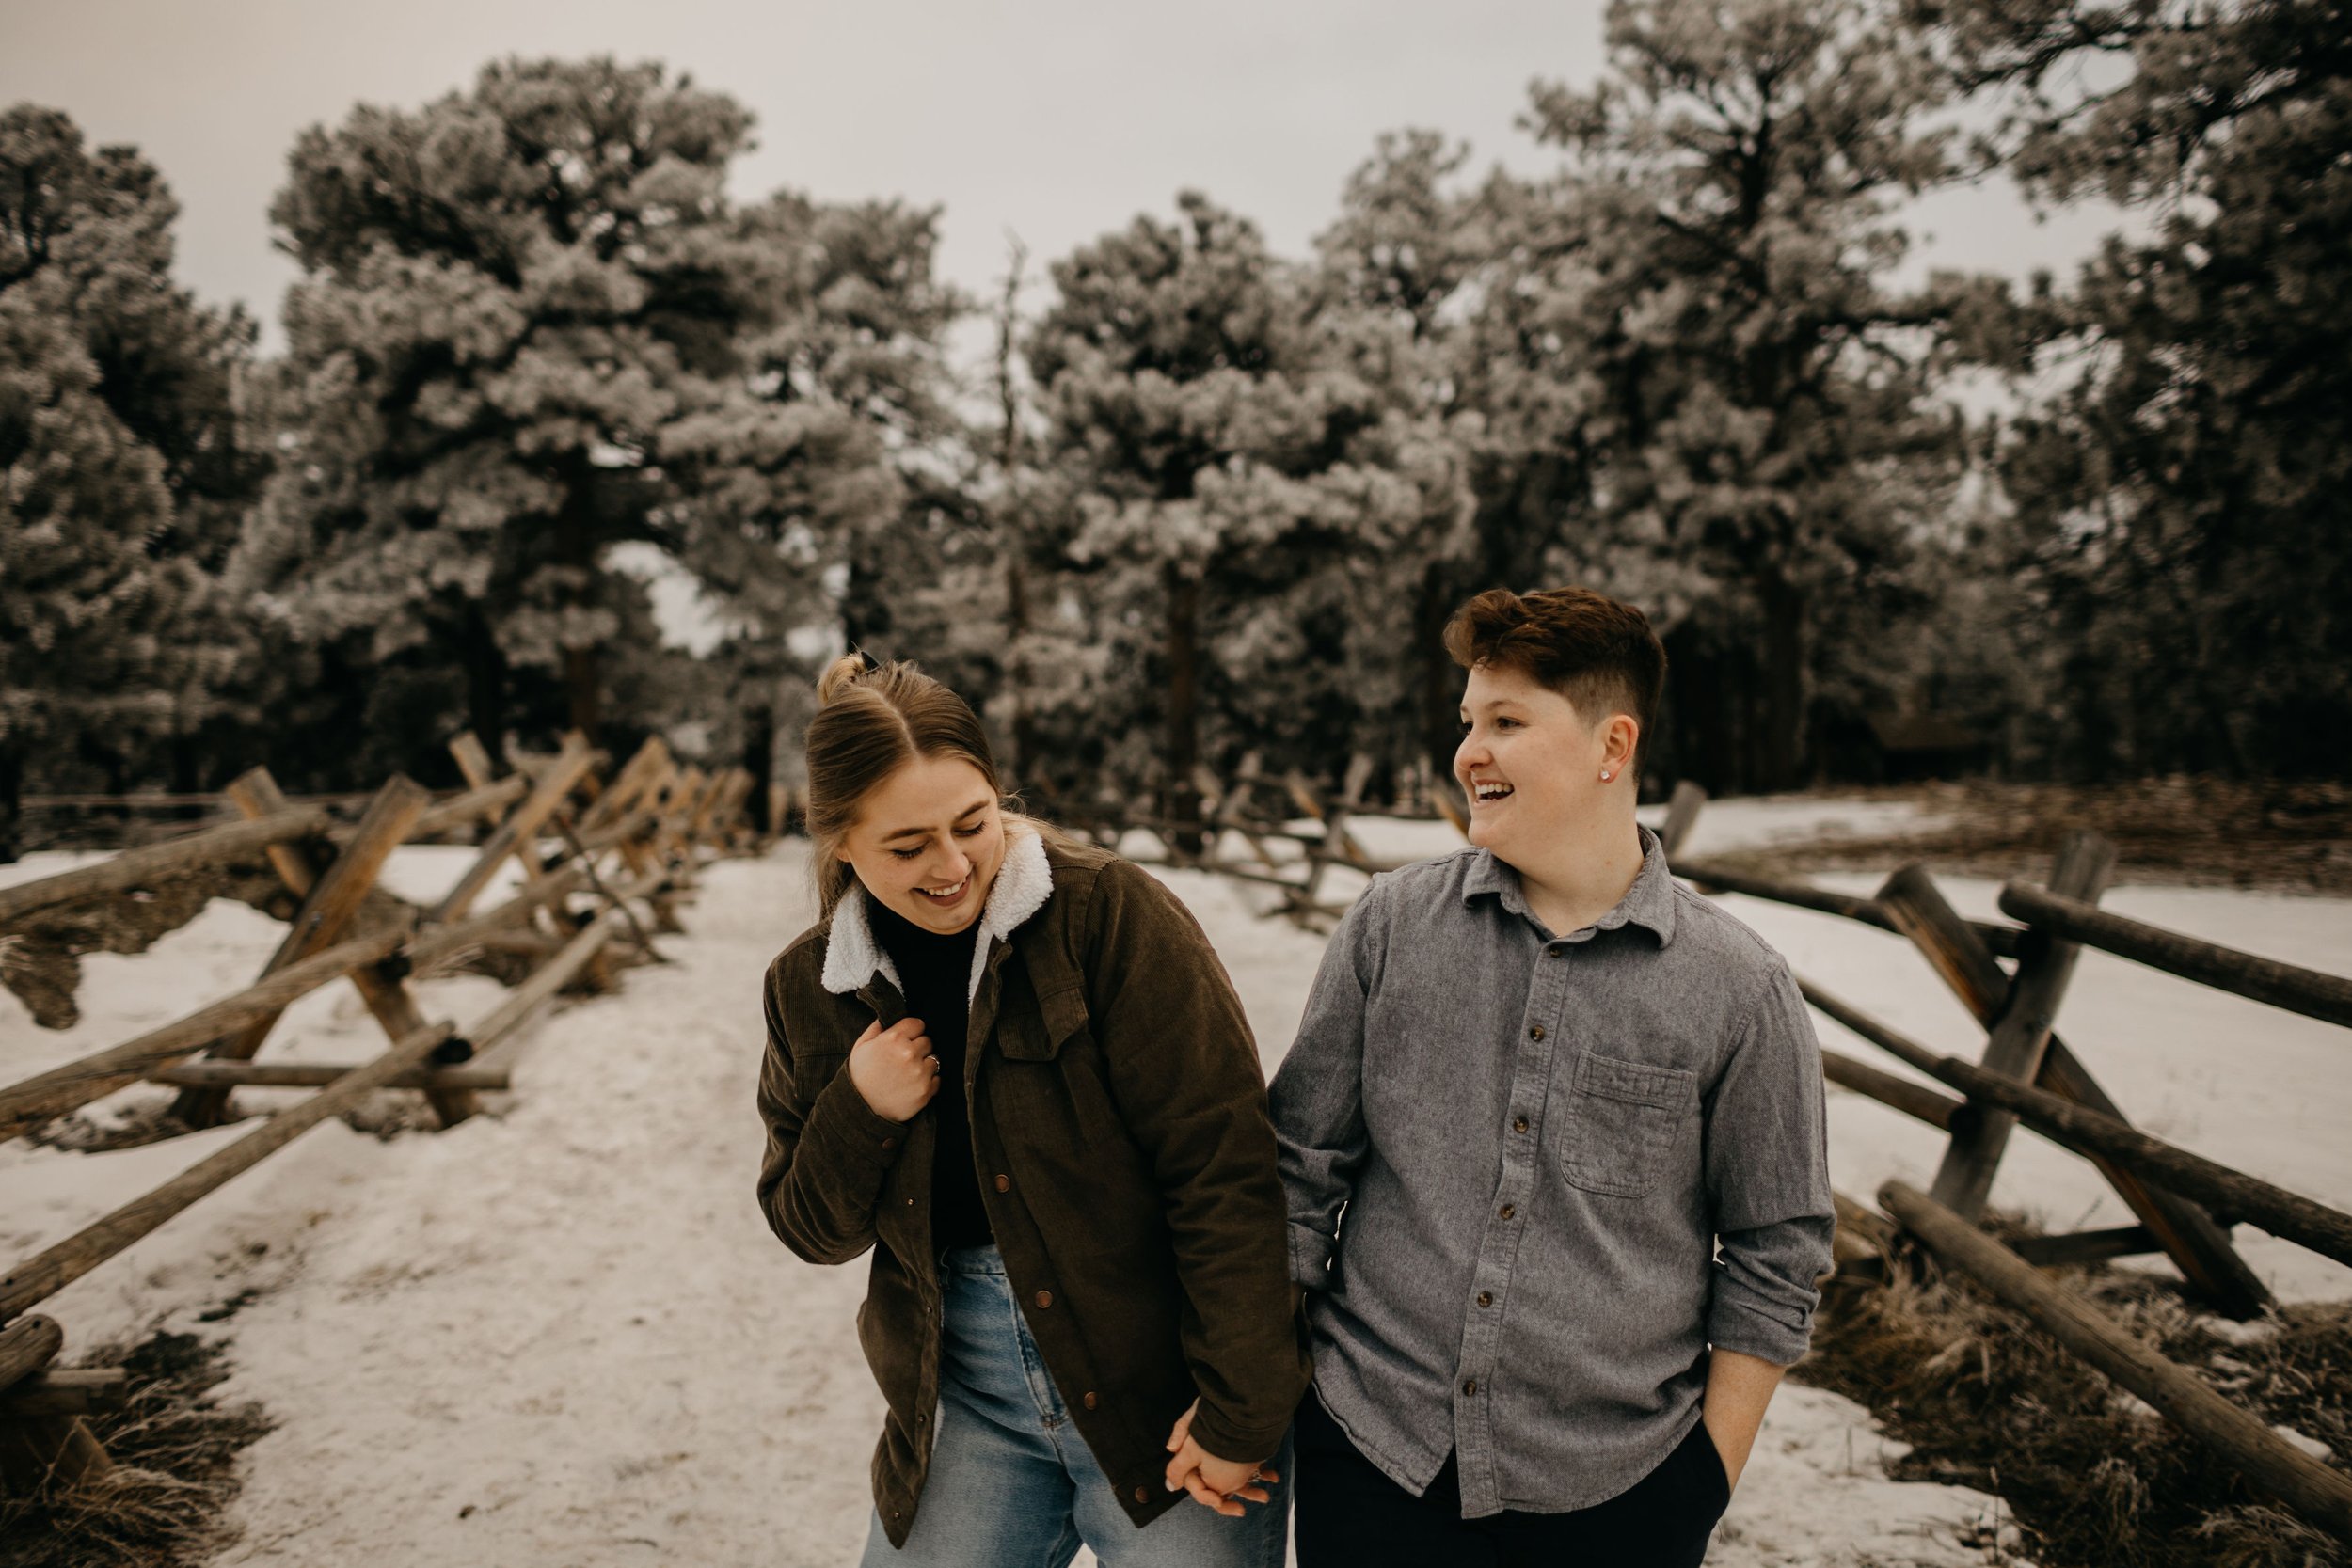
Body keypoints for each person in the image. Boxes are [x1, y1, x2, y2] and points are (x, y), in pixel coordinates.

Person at [1265, 587, 1836, 1567]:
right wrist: (1274, 1396)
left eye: (1505, 722)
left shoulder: (1738, 991)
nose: (1466, 753)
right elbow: (1297, 1172)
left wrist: (1700, 1483)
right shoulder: (1390, 928)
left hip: (1614, 1495)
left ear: (1611, 747)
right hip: (1372, 1455)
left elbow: (1776, 1250)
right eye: (1467, 722)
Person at [755, 654, 1307, 1568]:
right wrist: (859, 1106)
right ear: (839, 841)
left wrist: (1241, 1407)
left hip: (1161, 1392)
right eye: (906, 845)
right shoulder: (810, 987)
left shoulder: (1109, 918)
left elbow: (1226, 1170)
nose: (952, 863)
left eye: (972, 823)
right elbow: (810, 1228)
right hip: (966, 1402)